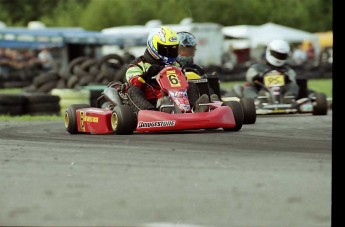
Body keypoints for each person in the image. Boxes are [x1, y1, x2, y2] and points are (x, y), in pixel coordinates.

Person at [125, 26, 209, 113]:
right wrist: (148, 74)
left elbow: (183, 83)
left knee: (191, 85)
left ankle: (193, 109)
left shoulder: (176, 64)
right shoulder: (137, 64)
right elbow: (134, 83)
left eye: (173, 49)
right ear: (153, 46)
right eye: (165, 49)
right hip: (149, 101)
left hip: (174, 98)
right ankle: (151, 113)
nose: (169, 53)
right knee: (133, 90)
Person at [176, 31, 220, 101]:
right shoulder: (168, 68)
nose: (192, 52)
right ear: (178, 49)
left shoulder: (197, 69)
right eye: (188, 50)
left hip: (198, 100)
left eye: (192, 49)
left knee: (207, 81)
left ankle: (206, 103)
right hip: (176, 97)